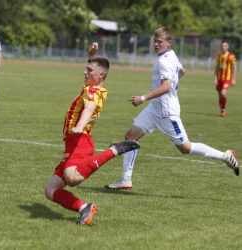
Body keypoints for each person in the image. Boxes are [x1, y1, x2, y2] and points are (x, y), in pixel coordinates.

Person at [105, 27, 240, 191]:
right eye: (154, 41)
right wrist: (163, 88)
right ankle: (125, 180)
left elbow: (167, 87)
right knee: (130, 136)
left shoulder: (164, 60)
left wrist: (142, 98)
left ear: (168, 43)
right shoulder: (171, 55)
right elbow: (182, 71)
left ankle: (224, 156)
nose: (156, 44)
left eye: (159, 42)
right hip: (155, 108)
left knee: (186, 148)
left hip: (166, 112)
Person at [44, 43, 140, 226]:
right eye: (86, 68)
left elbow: (90, 107)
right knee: (50, 189)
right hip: (72, 143)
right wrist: (91, 55)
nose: (84, 72)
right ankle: (84, 208)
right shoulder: (95, 86)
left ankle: (114, 150)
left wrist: (80, 125)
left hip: (80, 140)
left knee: (72, 178)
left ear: (100, 75)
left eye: (89, 70)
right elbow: (96, 69)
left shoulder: (93, 91)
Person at [213, 41, 237, 117]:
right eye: (222, 46)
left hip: (227, 79)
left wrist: (233, 79)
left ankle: (224, 107)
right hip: (219, 78)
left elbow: (234, 67)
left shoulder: (231, 56)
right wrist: (215, 78)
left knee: (223, 93)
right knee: (220, 95)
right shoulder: (219, 56)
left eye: (225, 46)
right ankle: (222, 110)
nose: (223, 47)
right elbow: (217, 68)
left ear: (228, 47)